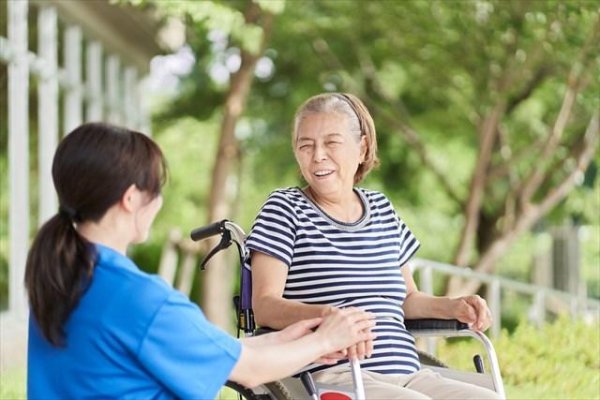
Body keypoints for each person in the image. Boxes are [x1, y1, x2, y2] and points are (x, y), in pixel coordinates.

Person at [25, 122, 376, 399]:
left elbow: (207, 349)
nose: (159, 202)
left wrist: (288, 339)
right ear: (131, 198)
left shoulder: (65, 280)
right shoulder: (139, 298)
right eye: (156, 190)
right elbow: (249, 369)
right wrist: (326, 340)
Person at [246, 93, 503, 399]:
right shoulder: (284, 208)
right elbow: (264, 305)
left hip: (409, 373)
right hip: (333, 375)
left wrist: (453, 306)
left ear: (362, 148)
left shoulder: (381, 209)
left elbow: (407, 298)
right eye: (306, 145)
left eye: (331, 143)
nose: (317, 156)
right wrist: (332, 317)